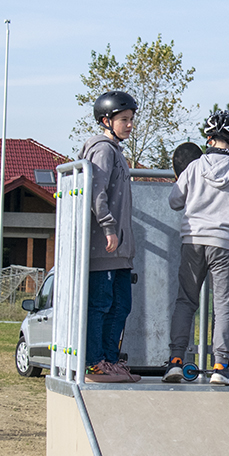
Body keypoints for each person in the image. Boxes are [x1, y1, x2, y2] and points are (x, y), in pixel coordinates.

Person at [162, 111, 229, 386]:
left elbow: (175, 200)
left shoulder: (194, 167)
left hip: (193, 240)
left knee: (186, 301)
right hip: (226, 243)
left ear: (208, 138)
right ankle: (221, 364)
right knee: (224, 306)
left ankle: (175, 361)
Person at [79, 91, 140, 383]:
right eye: (124, 120)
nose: (130, 125)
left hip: (120, 251)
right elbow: (96, 191)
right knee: (101, 305)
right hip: (104, 246)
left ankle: (110, 360)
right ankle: (94, 361)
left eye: (131, 120)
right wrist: (108, 227)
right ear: (107, 120)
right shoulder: (102, 149)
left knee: (121, 306)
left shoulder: (116, 151)